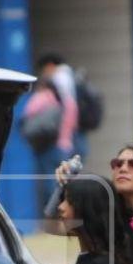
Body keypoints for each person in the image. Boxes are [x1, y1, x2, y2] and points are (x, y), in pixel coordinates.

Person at [34, 52, 88, 215]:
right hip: (74, 139)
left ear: (49, 66)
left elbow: (67, 109)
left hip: (60, 141)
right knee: (69, 178)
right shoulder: (73, 77)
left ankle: (57, 216)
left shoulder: (59, 79)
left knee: (58, 181)